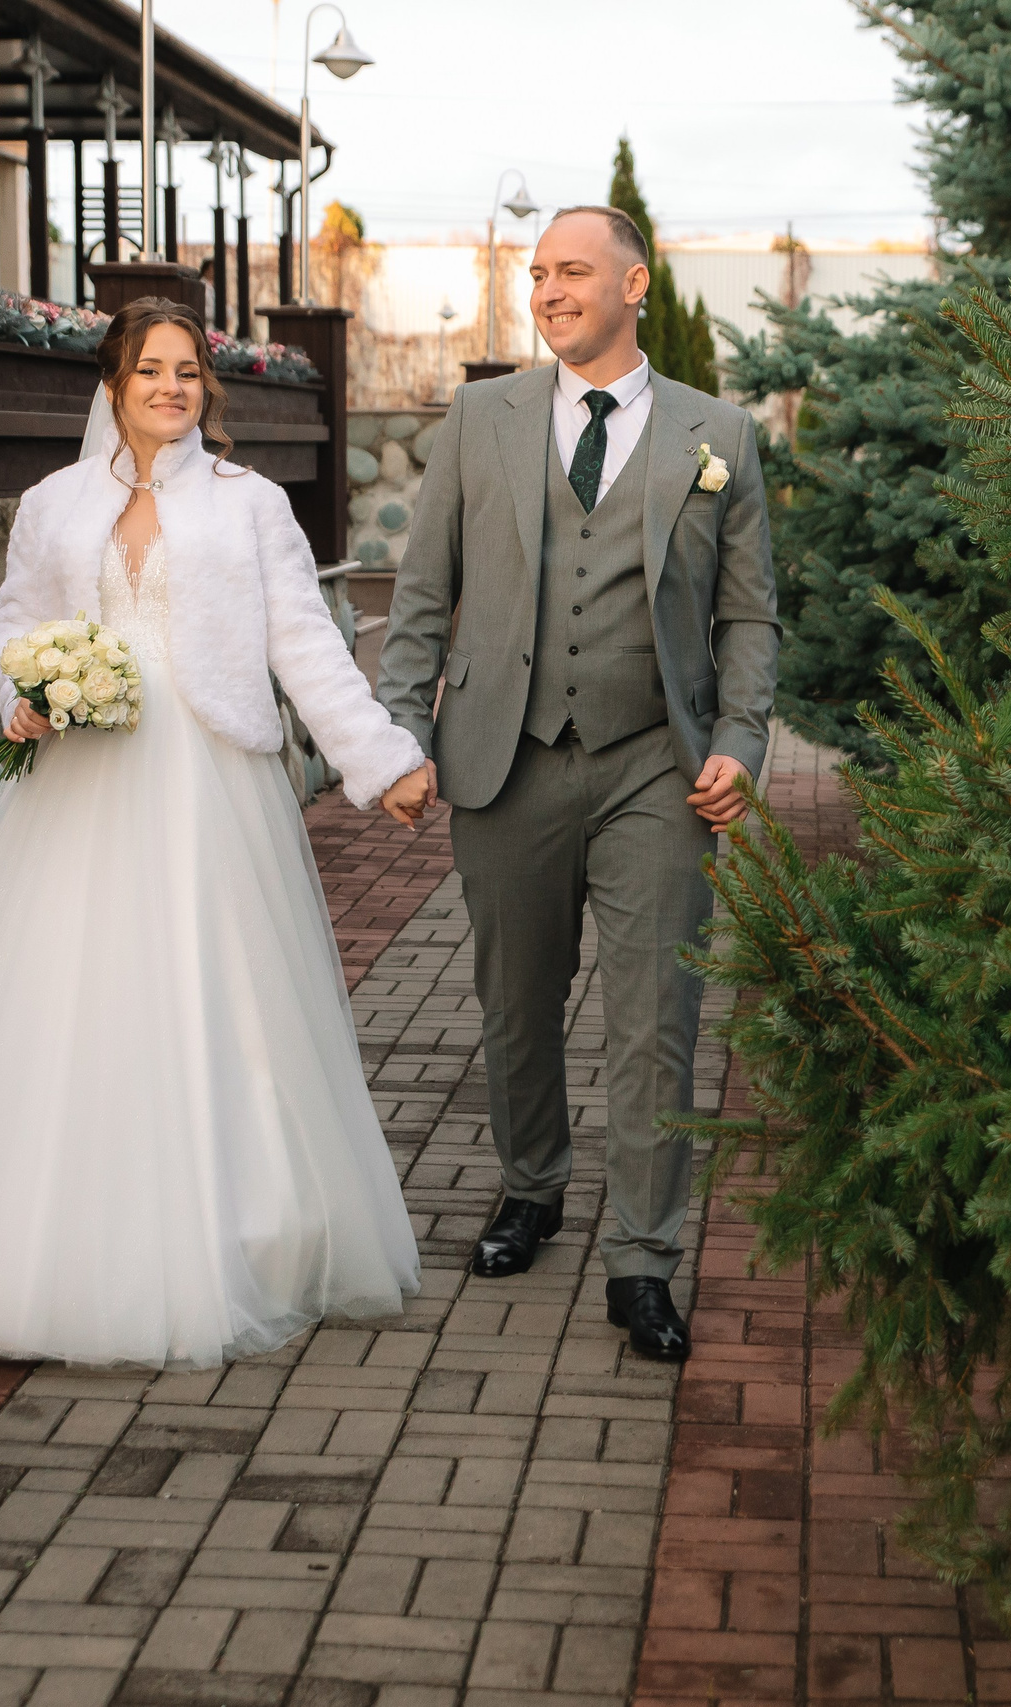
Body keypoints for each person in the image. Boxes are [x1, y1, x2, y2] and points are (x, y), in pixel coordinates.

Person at [0, 297, 434, 1368]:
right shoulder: (53, 504)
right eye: (151, 370)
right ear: (112, 385)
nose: (172, 389)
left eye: (189, 372)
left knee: (213, 992)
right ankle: (27, 1250)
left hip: (203, 777)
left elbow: (306, 647)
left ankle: (243, 1233)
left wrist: (383, 760)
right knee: (68, 993)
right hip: (84, 777)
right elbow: (12, 626)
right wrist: (26, 693)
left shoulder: (250, 506)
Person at [376, 206, 780, 1362]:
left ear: (634, 284)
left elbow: (749, 616)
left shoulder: (721, 436)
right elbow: (418, 601)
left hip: (657, 765)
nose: (547, 290)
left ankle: (644, 1259)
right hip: (503, 760)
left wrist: (740, 743)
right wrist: (404, 735)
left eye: (571, 271)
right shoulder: (479, 417)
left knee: (657, 1019)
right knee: (515, 1004)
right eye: (537, 273)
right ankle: (531, 1187)